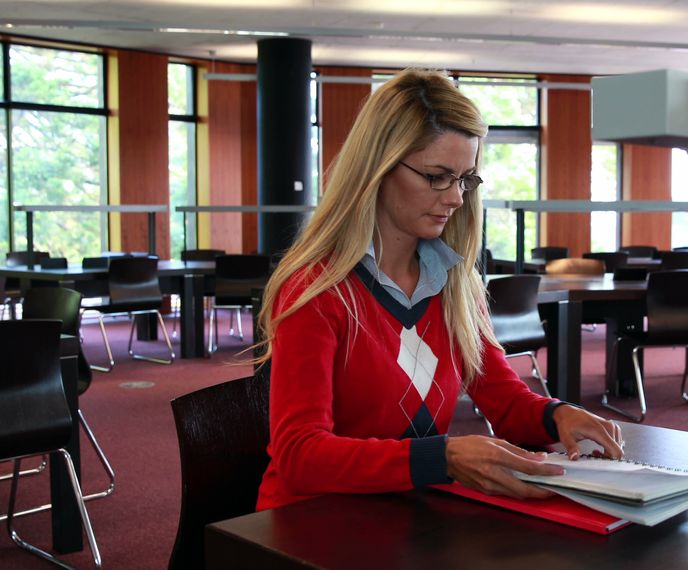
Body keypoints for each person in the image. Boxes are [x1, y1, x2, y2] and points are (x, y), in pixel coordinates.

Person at [254, 68, 624, 511]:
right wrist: (442, 457)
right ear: (379, 169)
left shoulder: (453, 283)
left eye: (465, 179)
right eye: (436, 177)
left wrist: (555, 413)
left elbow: (503, 401)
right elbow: (300, 456)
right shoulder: (315, 292)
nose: (456, 198)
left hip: (406, 513)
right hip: (309, 523)